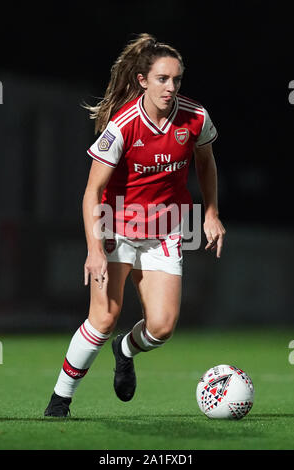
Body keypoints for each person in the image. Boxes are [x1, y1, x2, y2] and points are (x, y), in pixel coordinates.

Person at [44, 33, 226, 417]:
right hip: (117, 227)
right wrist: (95, 250)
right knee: (104, 318)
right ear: (143, 80)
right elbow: (92, 192)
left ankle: (125, 349)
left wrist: (211, 213)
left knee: (161, 328)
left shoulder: (195, 117)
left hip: (166, 230)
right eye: (162, 79)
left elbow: (205, 162)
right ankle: (60, 400)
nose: (171, 87)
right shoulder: (123, 126)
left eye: (176, 79)